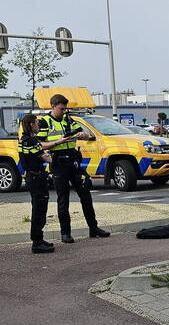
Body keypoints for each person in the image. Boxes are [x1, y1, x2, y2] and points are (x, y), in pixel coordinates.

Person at [36, 94, 110, 243]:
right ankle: (65, 233)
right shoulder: (45, 122)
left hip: (73, 161)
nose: (64, 111)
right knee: (63, 199)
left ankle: (94, 228)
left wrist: (84, 135)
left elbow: (85, 135)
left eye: (65, 108)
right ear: (53, 106)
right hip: (58, 162)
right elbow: (40, 144)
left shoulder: (69, 119)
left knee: (86, 195)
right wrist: (58, 141)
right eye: (61, 109)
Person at [18, 113, 70, 254]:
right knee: (39, 210)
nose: (38, 125)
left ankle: (39, 239)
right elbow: (45, 157)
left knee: (38, 208)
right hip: (37, 177)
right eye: (36, 123)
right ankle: (37, 243)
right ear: (31, 125)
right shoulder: (32, 141)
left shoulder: (23, 139)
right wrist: (56, 158)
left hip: (32, 176)